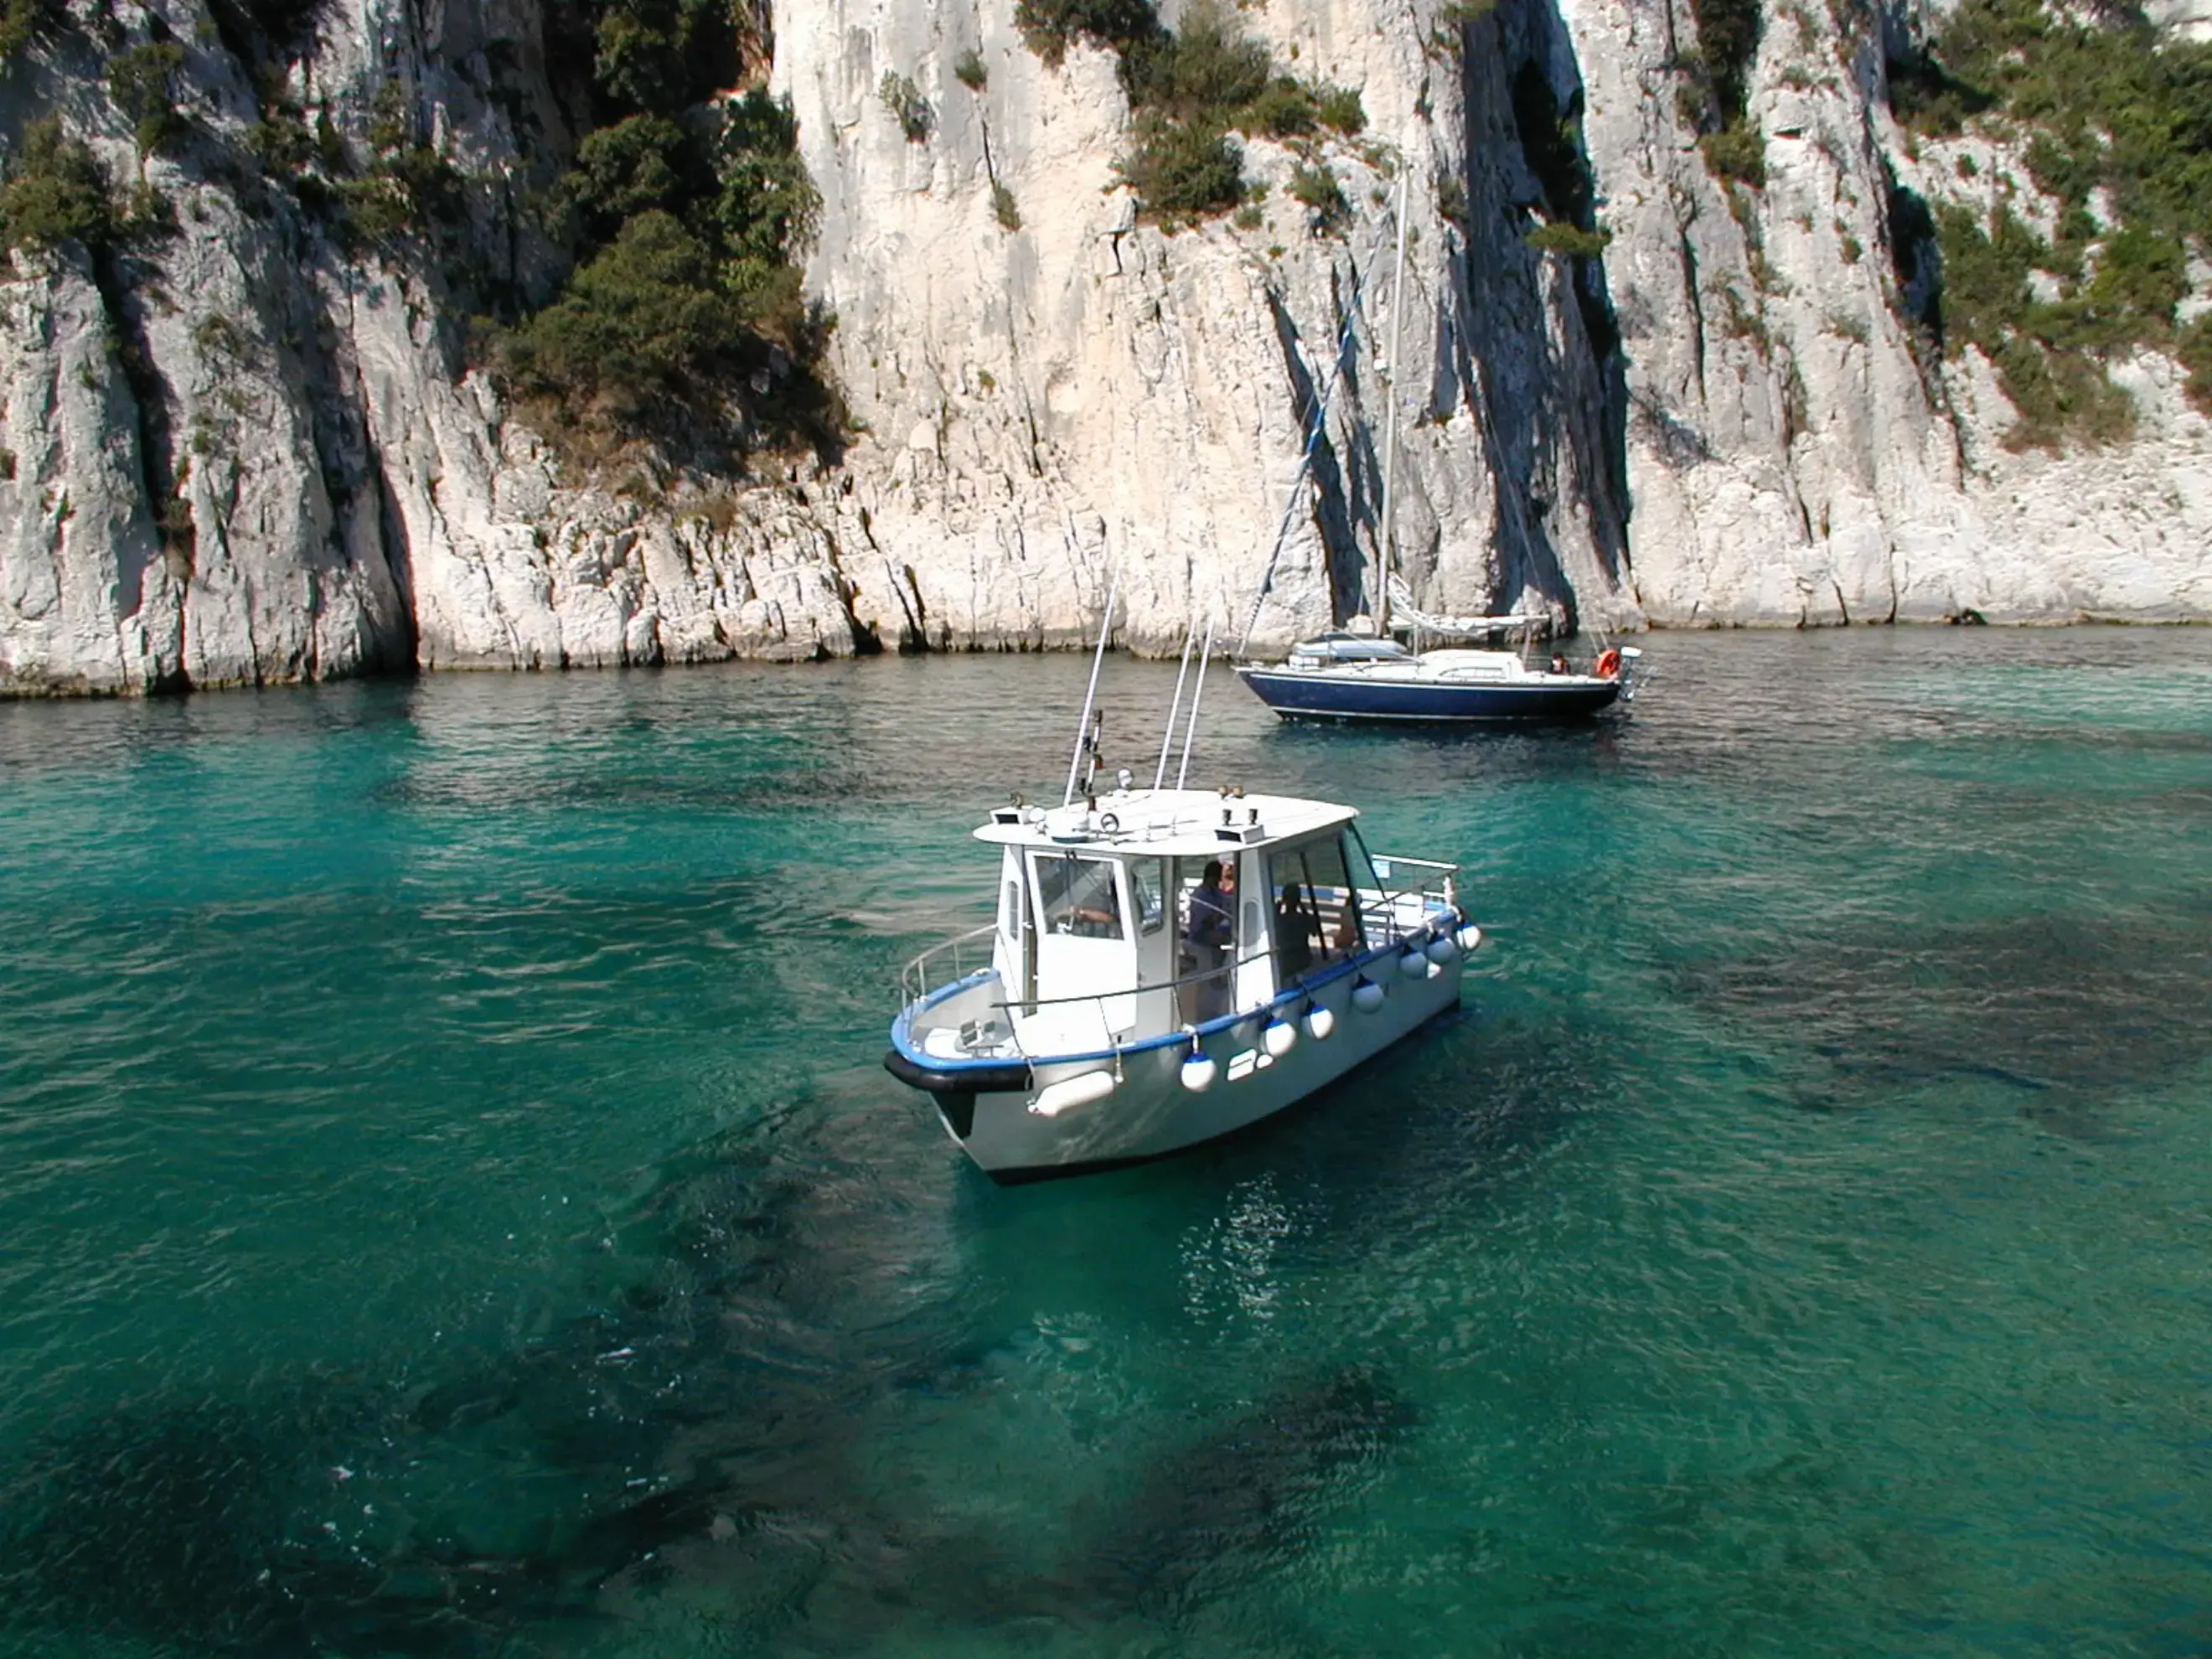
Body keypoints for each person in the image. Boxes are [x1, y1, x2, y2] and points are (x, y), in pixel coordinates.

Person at [1185, 859, 1234, 1022]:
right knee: (1230, 938)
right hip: (1201, 935)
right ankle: (1216, 985)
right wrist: (1219, 915)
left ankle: (1223, 979)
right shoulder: (1201, 894)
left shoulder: (1214, 892)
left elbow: (1226, 903)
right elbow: (1205, 919)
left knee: (1231, 933)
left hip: (1213, 931)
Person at [1274, 881, 1318, 979]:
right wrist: (1304, 910)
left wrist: (1276, 909)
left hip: (1286, 961)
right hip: (1303, 960)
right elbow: (1314, 932)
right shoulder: (1304, 918)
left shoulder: (1279, 920)